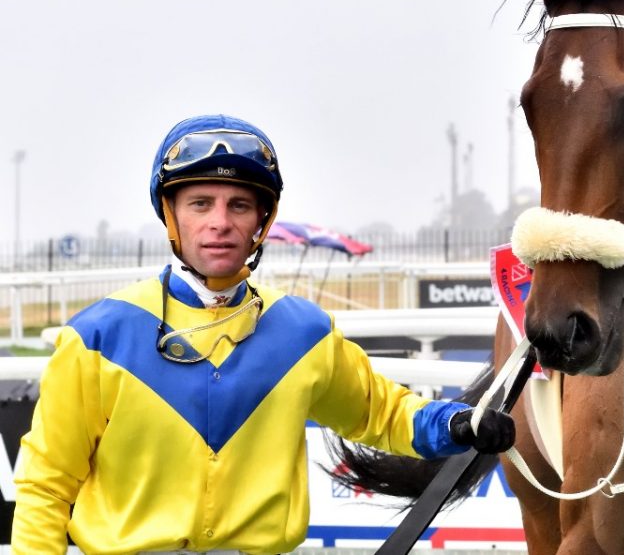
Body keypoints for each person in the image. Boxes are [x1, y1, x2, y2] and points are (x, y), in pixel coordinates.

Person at [12, 115, 515, 553]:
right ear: (171, 215)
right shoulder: (98, 337)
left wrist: (457, 424)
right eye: (200, 203)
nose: (219, 223)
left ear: (261, 220)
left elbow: (379, 413)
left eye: (239, 206)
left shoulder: (303, 334)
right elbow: (45, 487)